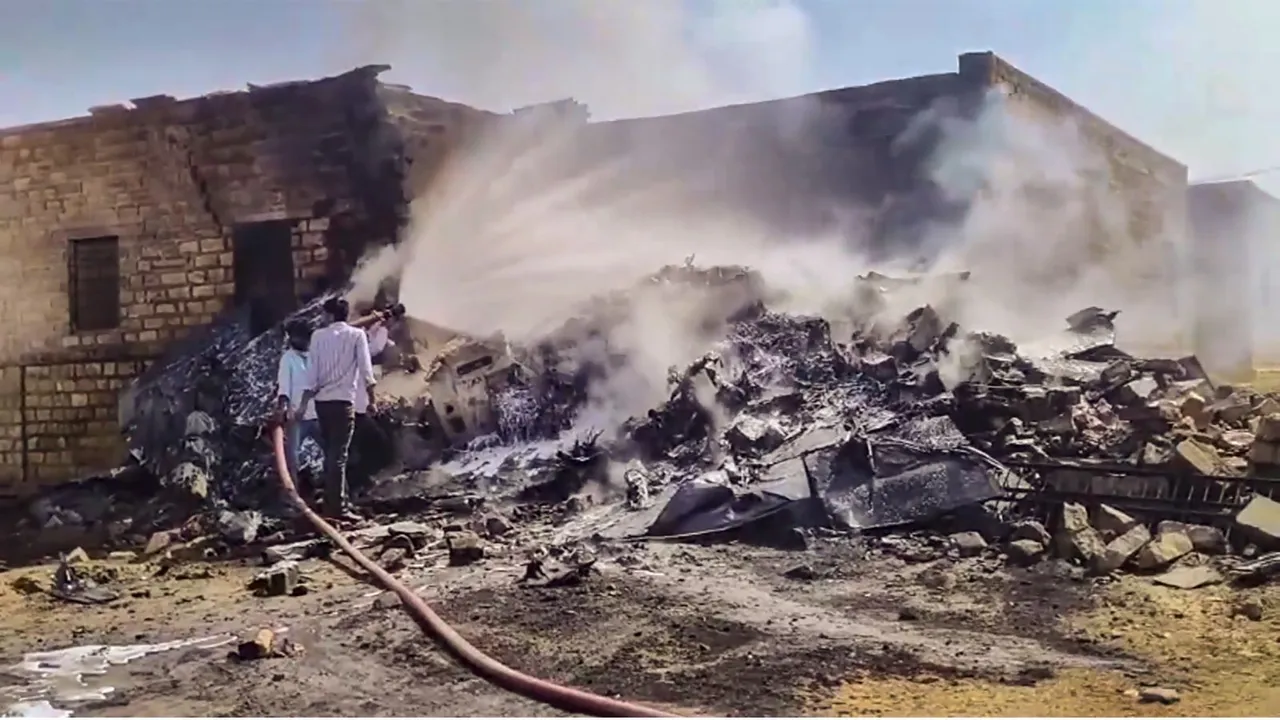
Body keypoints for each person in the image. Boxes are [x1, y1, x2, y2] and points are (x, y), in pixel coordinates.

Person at [297, 297, 377, 521]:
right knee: (338, 456)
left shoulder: (317, 337)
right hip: (343, 403)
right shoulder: (356, 335)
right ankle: (338, 509)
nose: (322, 318)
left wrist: (303, 404)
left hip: (322, 405)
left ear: (330, 316)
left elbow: (311, 377)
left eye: (324, 314)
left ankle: (335, 502)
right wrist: (372, 400)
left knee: (331, 454)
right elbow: (367, 372)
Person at [276, 321, 319, 488]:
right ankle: (294, 493)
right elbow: (284, 387)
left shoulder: (316, 355)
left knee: (334, 455)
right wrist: (283, 408)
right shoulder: (288, 358)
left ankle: (336, 493)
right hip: (297, 417)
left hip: (318, 414)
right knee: (292, 458)